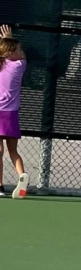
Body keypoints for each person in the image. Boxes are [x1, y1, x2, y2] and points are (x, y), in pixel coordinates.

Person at [0, 25, 29, 199]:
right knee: (13, 151)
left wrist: (5, 41)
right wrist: (8, 39)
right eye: (18, 48)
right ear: (12, 52)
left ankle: (0, 187)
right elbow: (22, 56)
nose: (21, 51)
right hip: (11, 114)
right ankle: (21, 175)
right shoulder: (20, 66)